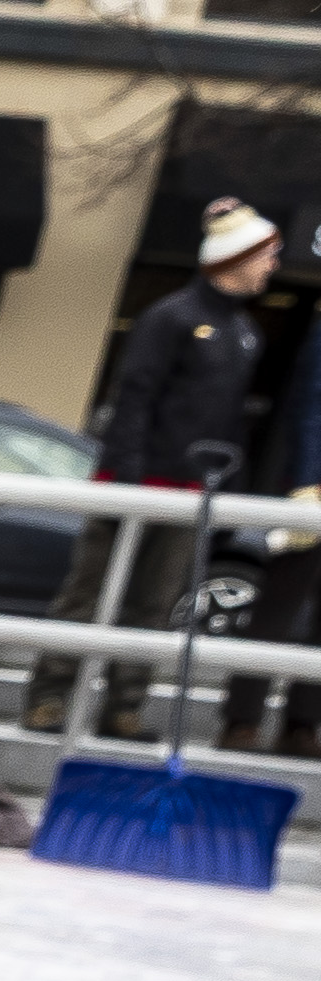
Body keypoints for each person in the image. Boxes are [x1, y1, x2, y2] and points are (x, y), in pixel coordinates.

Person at [24, 198, 277, 739]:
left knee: (157, 603)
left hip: (192, 491)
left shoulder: (247, 333)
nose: (272, 266)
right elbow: (134, 396)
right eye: (267, 255)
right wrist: (129, 479)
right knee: (87, 593)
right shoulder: (171, 317)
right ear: (237, 256)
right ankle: (48, 698)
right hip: (137, 483)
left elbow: (233, 419)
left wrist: (232, 490)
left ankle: (125, 707)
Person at [223, 232, 321, 762]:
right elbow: (310, 408)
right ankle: (241, 719)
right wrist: (309, 480)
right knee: (278, 607)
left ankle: (304, 725)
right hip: (315, 493)